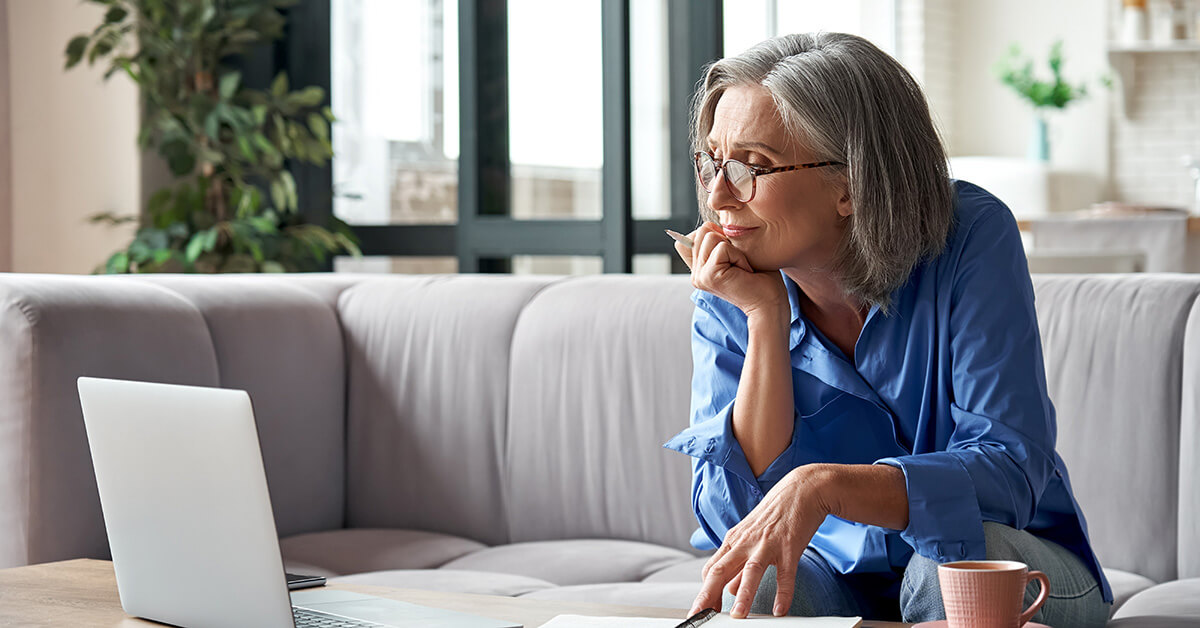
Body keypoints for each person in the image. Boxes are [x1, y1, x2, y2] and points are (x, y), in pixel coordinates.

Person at [662, 32, 1112, 626]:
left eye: (753, 167)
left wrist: (826, 486)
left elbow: (1009, 470)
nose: (719, 196)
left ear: (849, 184)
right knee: (762, 581)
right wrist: (764, 319)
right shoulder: (734, 279)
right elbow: (734, 516)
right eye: (712, 161)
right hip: (839, 573)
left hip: (1011, 559)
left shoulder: (971, 236)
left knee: (944, 569)